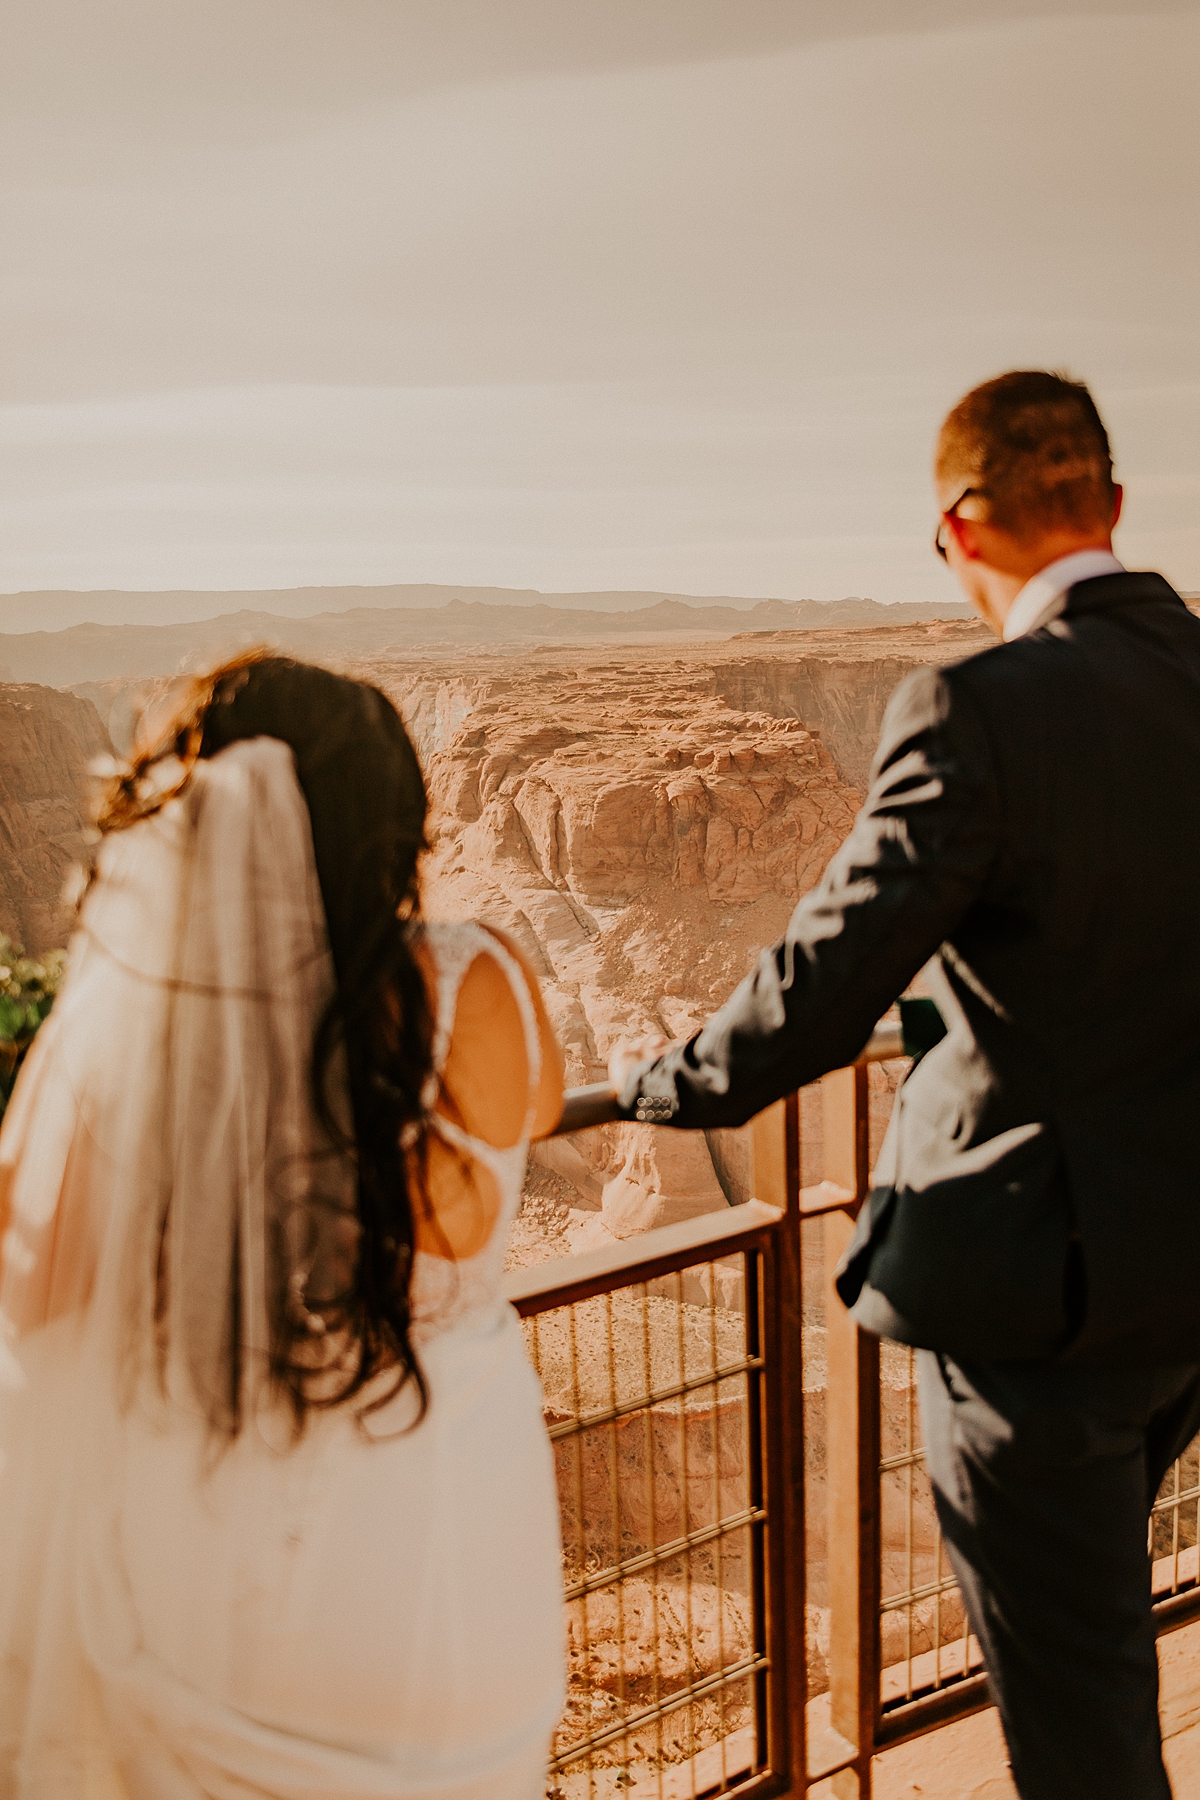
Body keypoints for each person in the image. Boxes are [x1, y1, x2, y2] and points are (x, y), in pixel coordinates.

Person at [609, 371, 1200, 1799]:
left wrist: (659, 1087)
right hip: (1181, 1274)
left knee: (1082, 1719)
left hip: (1033, 1307)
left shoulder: (981, 705)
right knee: (1105, 1648)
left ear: (954, 533)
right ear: (1115, 506)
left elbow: (824, 983)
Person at [0, 654, 566, 1800]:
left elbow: (36, 1285)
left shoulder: (146, 1035)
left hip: (212, 1542)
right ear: (390, 820)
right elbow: (544, 1105)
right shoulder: (477, 979)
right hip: (450, 1539)